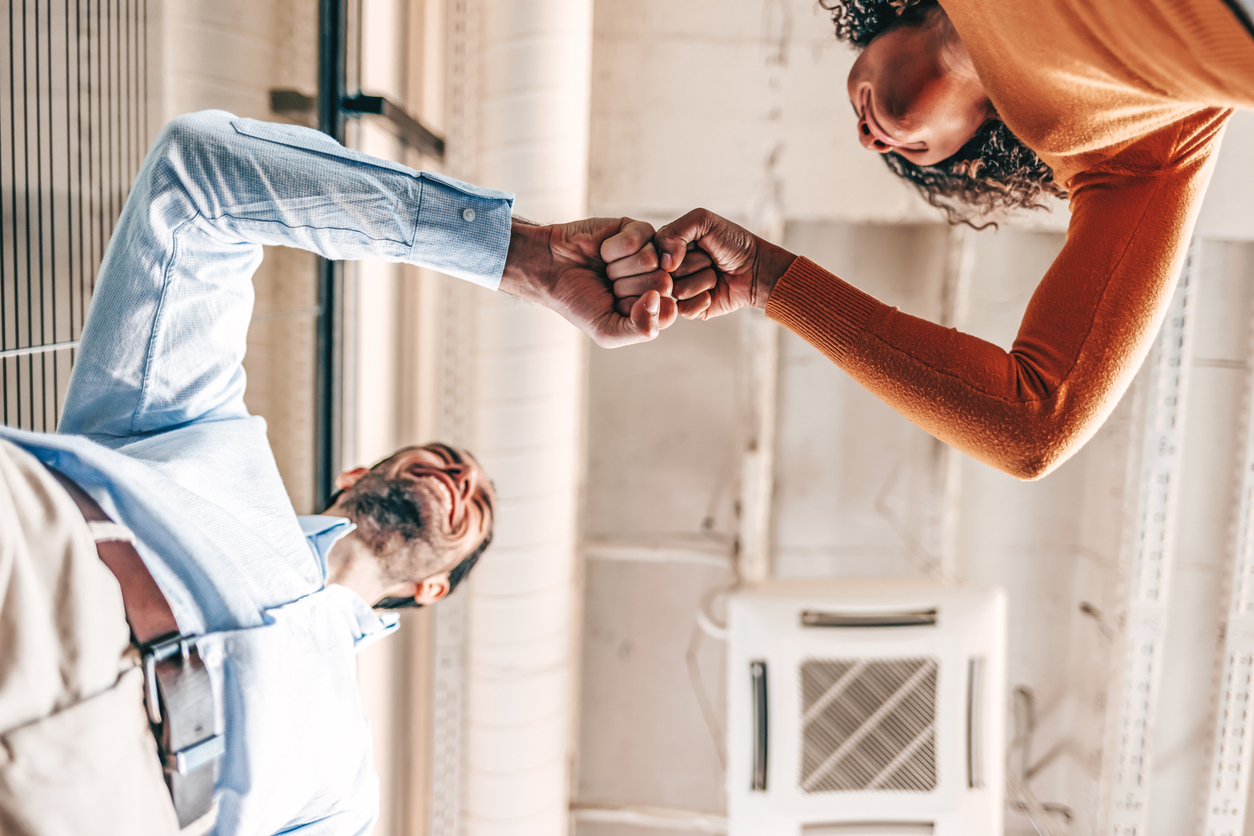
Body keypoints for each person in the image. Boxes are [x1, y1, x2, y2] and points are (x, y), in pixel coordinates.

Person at [0, 109, 672, 836]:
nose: (456, 476)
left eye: (471, 501)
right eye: (440, 460)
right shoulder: (203, 431)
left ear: (433, 586)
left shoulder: (347, 793)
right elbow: (195, 176)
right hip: (35, 562)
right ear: (357, 474)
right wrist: (522, 255)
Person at [607, 0, 1254, 480]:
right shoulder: (1122, 153)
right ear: (985, 139)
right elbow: (1034, 426)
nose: (868, 138)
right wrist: (770, 281)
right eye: (920, 158)